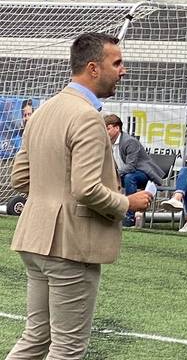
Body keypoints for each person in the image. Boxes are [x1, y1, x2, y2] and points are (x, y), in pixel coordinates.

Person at [8, 32, 151, 360]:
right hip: (68, 247)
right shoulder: (87, 116)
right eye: (117, 63)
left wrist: (55, 194)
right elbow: (86, 188)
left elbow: (20, 178)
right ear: (93, 68)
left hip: (35, 238)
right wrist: (127, 203)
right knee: (67, 349)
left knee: (35, 339)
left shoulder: (43, 111)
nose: (123, 70)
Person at [103, 114, 163, 228]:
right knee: (108, 178)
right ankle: (111, 212)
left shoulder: (129, 142)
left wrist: (114, 174)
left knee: (129, 177)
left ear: (117, 128)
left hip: (143, 174)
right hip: (124, 173)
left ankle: (129, 216)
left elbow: (131, 166)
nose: (105, 131)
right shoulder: (107, 143)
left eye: (108, 128)